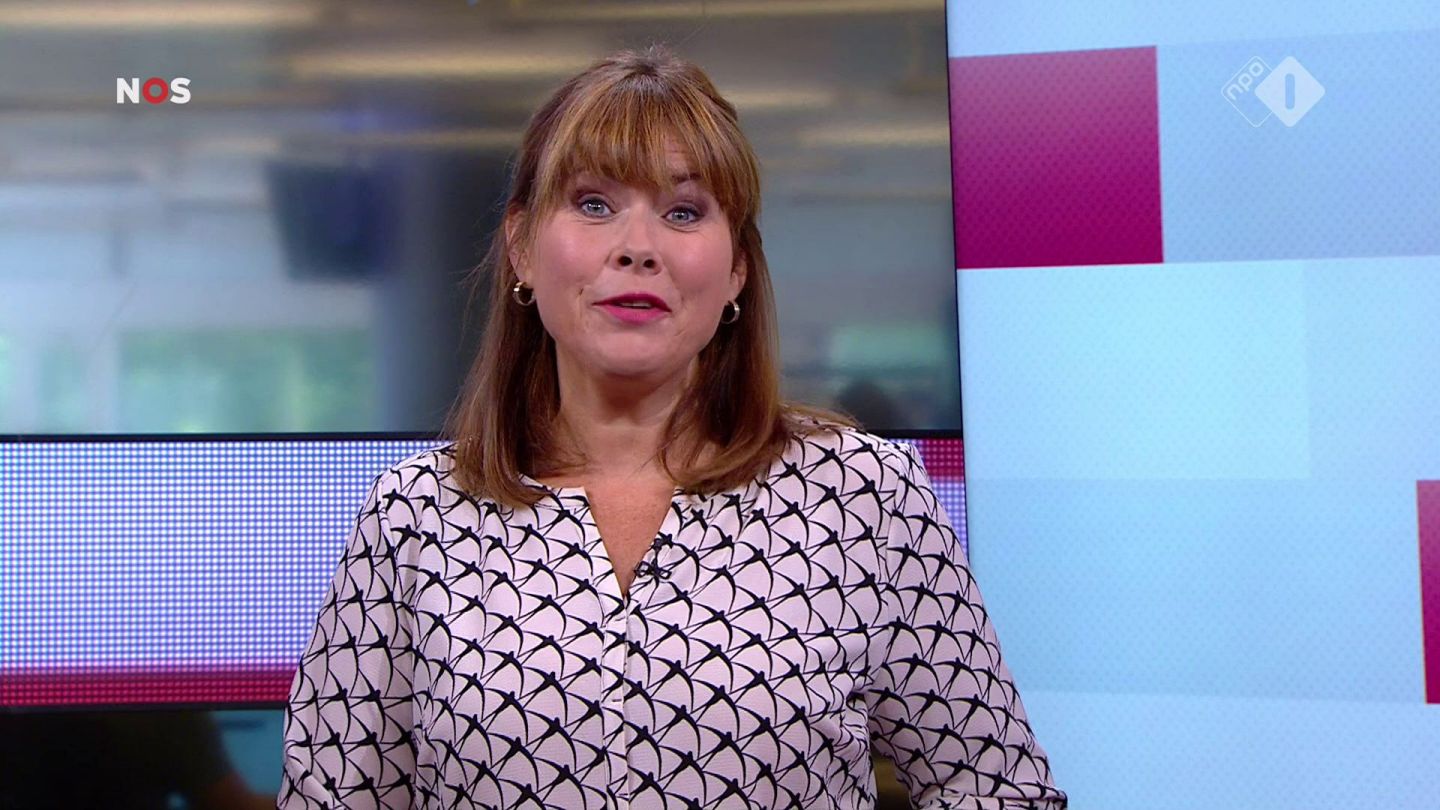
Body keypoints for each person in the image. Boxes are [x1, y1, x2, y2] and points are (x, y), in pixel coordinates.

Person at [278, 45, 1066, 809]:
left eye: (684, 212)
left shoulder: (862, 498)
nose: (638, 248)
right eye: (594, 204)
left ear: (736, 270)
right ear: (521, 247)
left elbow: (995, 788)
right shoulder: (416, 517)